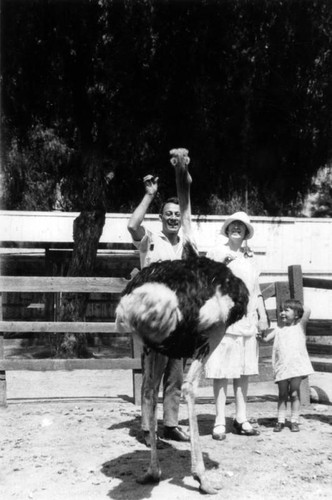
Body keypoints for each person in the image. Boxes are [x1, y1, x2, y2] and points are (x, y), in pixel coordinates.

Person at [127, 174, 190, 447]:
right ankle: (147, 427)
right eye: (169, 214)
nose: (174, 218)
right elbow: (132, 225)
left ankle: (171, 424)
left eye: (177, 214)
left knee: (176, 375)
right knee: (152, 374)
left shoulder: (187, 244)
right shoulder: (151, 239)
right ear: (161, 217)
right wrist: (150, 195)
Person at [204, 211, 269, 440]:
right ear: (227, 228)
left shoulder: (251, 257)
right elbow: (207, 282)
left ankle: (241, 418)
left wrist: (262, 316)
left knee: (243, 371)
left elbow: (256, 290)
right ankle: (219, 420)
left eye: (241, 227)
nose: (237, 229)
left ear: (246, 233)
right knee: (221, 371)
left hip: (247, 320)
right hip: (224, 321)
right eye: (233, 225)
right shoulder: (216, 252)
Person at [261, 300, 314, 432]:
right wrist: (260, 335)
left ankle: (294, 421)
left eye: (287, 310)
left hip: (296, 367)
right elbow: (265, 339)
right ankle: (280, 420)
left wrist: (296, 306)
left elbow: (306, 310)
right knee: (282, 394)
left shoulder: (300, 327)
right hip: (282, 367)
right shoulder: (278, 329)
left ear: (296, 315)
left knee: (294, 393)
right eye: (281, 310)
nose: (282, 313)